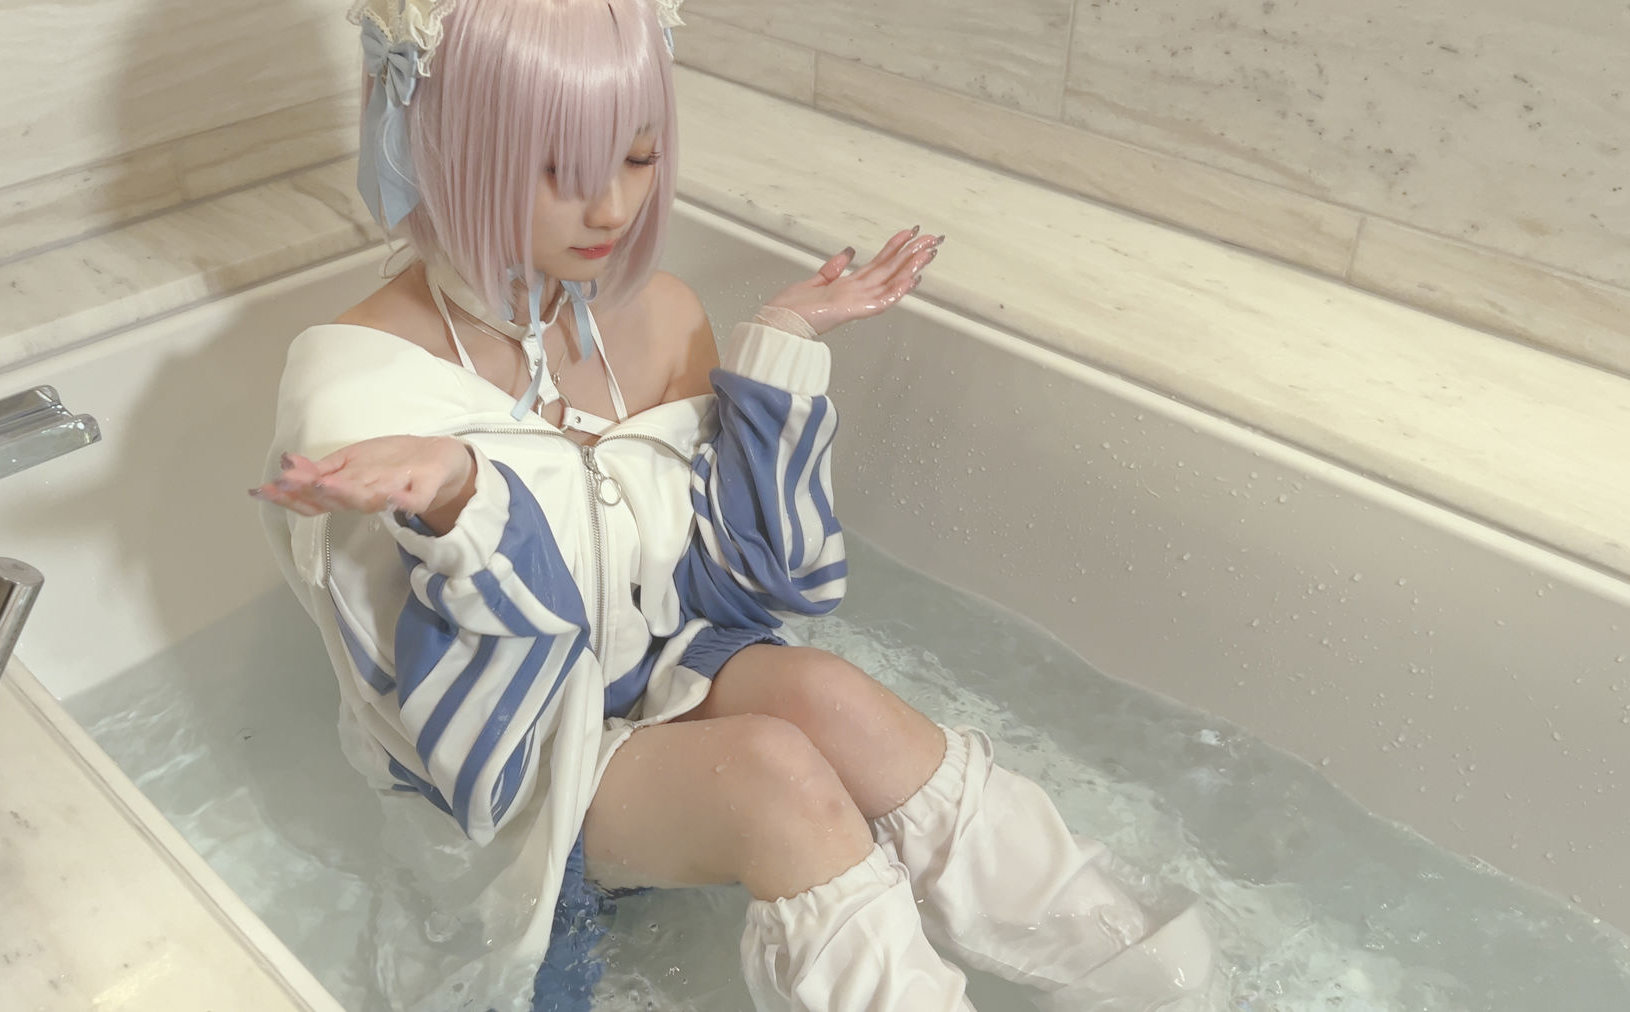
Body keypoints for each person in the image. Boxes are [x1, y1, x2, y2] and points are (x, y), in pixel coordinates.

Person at [252, 0, 1217, 1008]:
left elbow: (732, 591)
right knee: (772, 776)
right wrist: (465, 504)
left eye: (639, 157)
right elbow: (453, 737)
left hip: (659, 689)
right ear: (457, 148)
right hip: (521, 778)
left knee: (831, 696)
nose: (614, 209)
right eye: (562, 172)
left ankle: (1146, 969)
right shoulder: (358, 395)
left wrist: (775, 365)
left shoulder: (662, 316)